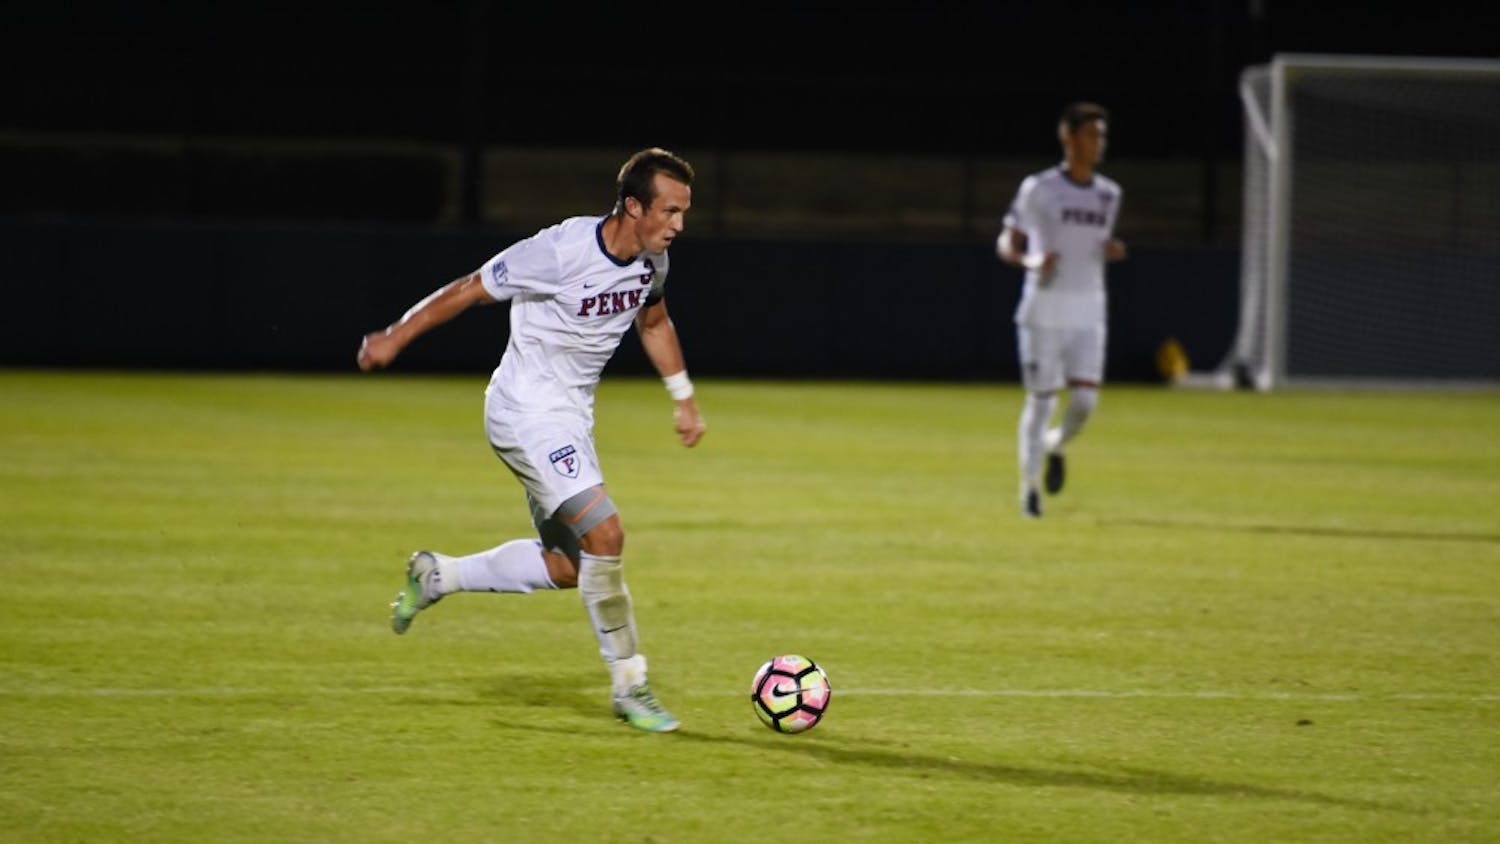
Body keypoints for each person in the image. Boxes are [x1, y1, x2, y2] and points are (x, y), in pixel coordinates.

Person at [356, 147, 706, 732]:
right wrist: (396, 334)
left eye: (684, 212)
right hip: (524, 413)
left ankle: (438, 574)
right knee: (607, 533)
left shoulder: (652, 262)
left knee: (569, 566)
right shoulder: (560, 250)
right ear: (633, 206)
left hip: (570, 421)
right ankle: (630, 684)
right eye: (669, 211)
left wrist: (683, 396)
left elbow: (653, 321)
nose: (678, 225)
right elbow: (471, 288)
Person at [995, 102, 1127, 518]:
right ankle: (1029, 490)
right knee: (1041, 401)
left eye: (1101, 135)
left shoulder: (1109, 194)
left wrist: (1109, 250)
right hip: (1044, 309)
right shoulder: (1039, 188)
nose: (1098, 142)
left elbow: (1092, 245)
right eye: (1091, 134)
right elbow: (1006, 242)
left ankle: (1055, 444)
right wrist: (1029, 260)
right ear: (1067, 138)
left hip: (1089, 310)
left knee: (1085, 401)